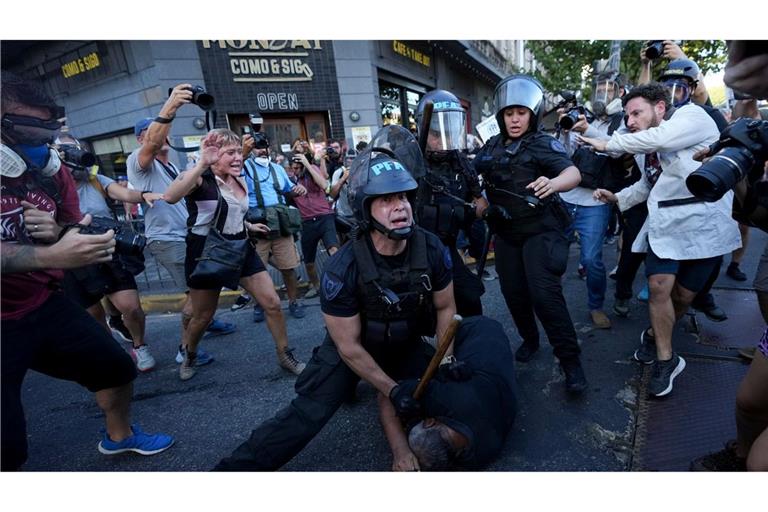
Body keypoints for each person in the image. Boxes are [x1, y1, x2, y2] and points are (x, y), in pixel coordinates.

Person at [213, 131, 458, 470]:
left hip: (403, 342)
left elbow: (446, 308)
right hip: (353, 349)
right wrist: (391, 389)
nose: (399, 206)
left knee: (451, 395)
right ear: (365, 209)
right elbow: (349, 347)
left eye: (403, 197)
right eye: (386, 200)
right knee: (306, 416)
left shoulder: (431, 248)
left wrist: (445, 362)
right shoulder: (342, 267)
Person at [1, 71, 173, 470]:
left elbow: (72, 227)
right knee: (8, 448)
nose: (43, 142)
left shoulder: (51, 172)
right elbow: (55, 253)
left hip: (41, 303)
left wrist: (60, 233)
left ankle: (119, 437)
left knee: (115, 366)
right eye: (30, 129)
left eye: (48, 128)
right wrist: (50, 255)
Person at [585, 82, 741, 397]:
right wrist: (616, 196)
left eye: (635, 113)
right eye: (627, 115)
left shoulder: (692, 117)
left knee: (683, 297)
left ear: (659, 107)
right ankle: (666, 359)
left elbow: (661, 137)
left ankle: (656, 334)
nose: (629, 121)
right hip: (665, 224)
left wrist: (609, 144)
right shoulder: (647, 149)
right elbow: (647, 185)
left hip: (704, 224)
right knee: (658, 288)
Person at [473, 74, 587, 394]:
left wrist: (553, 183)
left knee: (544, 295)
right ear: (501, 115)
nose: (515, 119)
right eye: (509, 113)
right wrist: (481, 206)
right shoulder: (491, 146)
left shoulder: (541, 143)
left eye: (521, 113)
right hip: (507, 232)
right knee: (514, 294)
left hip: (541, 230)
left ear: (531, 114)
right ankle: (530, 339)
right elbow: (474, 182)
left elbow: (573, 172)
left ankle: (570, 361)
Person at [162, 129, 306, 379]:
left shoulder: (238, 178)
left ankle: (285, 355)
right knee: (203, 316)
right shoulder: (199, 179)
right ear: (213, 155)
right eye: (230, 152)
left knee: (272, 303)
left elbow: (232, 211)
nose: (238, 157)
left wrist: (249, 226)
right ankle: (190, 353)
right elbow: (170, 196)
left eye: (239, 151)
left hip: (240, 246)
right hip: (207, 252)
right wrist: (201, 164)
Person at [128, 84, 236, 369]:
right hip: (167, 240)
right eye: (155, 131)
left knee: (201, 295)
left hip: (186, 238)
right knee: (194, 296)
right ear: (143, 137)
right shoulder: (138, 162)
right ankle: (184, 348)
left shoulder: (173, 166)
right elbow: (152, 144)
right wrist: (172, 106)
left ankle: (203, 323)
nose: (165, 134)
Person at [59, 136, 163, 372]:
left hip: (107, 250)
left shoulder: (95, 179)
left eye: (77, 150)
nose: (75, 157)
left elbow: (122, 193)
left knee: (132, 307)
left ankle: (139, 345)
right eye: (67, 152)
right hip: (72, 257)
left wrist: (143, 195)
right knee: (92, 314)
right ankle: (111, 352)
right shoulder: (48, 186)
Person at [381, 316, 517, 471]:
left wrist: (400, 450)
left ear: (430, 421)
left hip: (482, 341)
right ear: (430, 421)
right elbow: (390, 394)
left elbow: (386, 393)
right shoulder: (446, 399)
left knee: (414, 361)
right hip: (483, 336)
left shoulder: (482, 454)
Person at [557, 71, 630, 328]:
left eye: (608, 89)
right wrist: (564, 130)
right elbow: (563, 155)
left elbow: (619, 148)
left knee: (591, 259)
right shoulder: (581, 115)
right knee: (554, 253)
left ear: (620, 92)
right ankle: (550, 302)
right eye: (599, 88)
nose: (603, 94)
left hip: (595, 200)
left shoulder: (623, 119)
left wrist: (588, 130)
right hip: (567, 196)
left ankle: (595, 306)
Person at [413, 89, 488, 317]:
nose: (442, 139)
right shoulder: (409, 160)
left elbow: (478, 203)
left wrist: (481, 214)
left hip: (445, 247)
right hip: (412, 251)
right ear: (423, 129)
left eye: (448, 130)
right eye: (436, 133)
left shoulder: (461, 163)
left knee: (470, 301)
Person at [241, 125, 308, 321]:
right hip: (258, 225)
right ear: (251, 149)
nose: (262, 150)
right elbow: (232, 176)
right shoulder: (244, 167)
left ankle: (293, 302)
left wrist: (298, 189)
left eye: (265, 146)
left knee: (288, 267)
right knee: (255, 271)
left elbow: (289, 188)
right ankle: (259, 305)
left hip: (281, 225)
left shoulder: (278, 169)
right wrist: (243, 152)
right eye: (257, 146)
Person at [289, 151, 339, 298]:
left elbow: (325, 185)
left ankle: (340, 280)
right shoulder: (291, 180)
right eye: (294, 168)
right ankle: (316, 286)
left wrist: (307, 165)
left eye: (299, 167)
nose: (296, 171)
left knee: (334, 249)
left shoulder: (312, 170)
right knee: (309, 261)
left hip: (325, 217)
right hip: (307, 221)